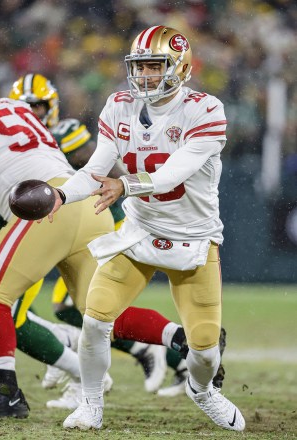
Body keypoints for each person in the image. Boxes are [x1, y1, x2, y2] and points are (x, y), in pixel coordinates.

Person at [0, 60, 214, 419]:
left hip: (45, 204)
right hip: (82, 202)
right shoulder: (16, 109)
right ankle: (183, 339)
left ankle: (5, 390)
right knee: (98, 311)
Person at [44, 26, 245, 432]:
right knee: (95, 320)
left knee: (204, 352)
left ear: (180, 67)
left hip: (193, 239)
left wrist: (124, 185)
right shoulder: (118, 106)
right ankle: (91, 404)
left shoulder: (206, 110)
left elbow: (172, 175)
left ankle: (202, 391)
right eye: (140, 66)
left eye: (155, 65)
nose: (146, 75)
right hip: (140, 231)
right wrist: (59, 197)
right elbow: (92, 173)